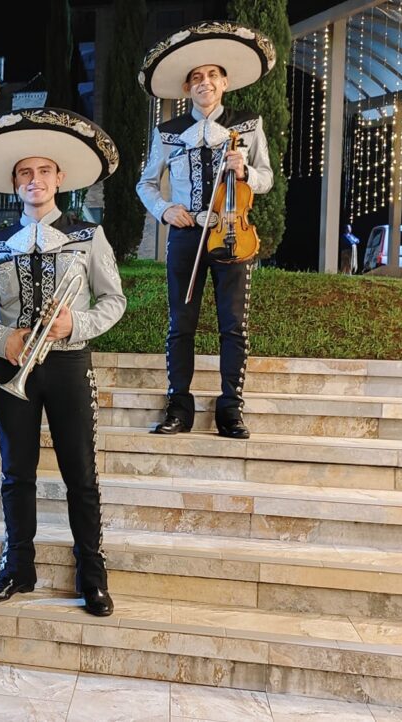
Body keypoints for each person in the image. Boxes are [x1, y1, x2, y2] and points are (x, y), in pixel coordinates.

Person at [0, 108, 127, 616]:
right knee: (16, 473)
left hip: (69, 365)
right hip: (13, 368)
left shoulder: (88, 235)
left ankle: (92, 573)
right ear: (15, 184)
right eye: (25, 173)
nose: (35, 180)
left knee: (81, 473)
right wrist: (0, 338)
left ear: (60, 179)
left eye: (44, 172)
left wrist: (72, 325)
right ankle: (19, 567)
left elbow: (113, 301)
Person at [135, 21, 276, 440]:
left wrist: (245, 170)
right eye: (196, 78)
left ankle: (231, 408)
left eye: (212, 75)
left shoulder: (247, 125)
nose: (204, 83)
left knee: (234, 325)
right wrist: (165, 210)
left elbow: (267, 178)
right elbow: (145, 183)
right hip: (188, 234)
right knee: (181, 323)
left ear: (225, 82)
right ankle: (179, 405)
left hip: (235, 233)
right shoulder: (168, 132)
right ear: (187, 88)